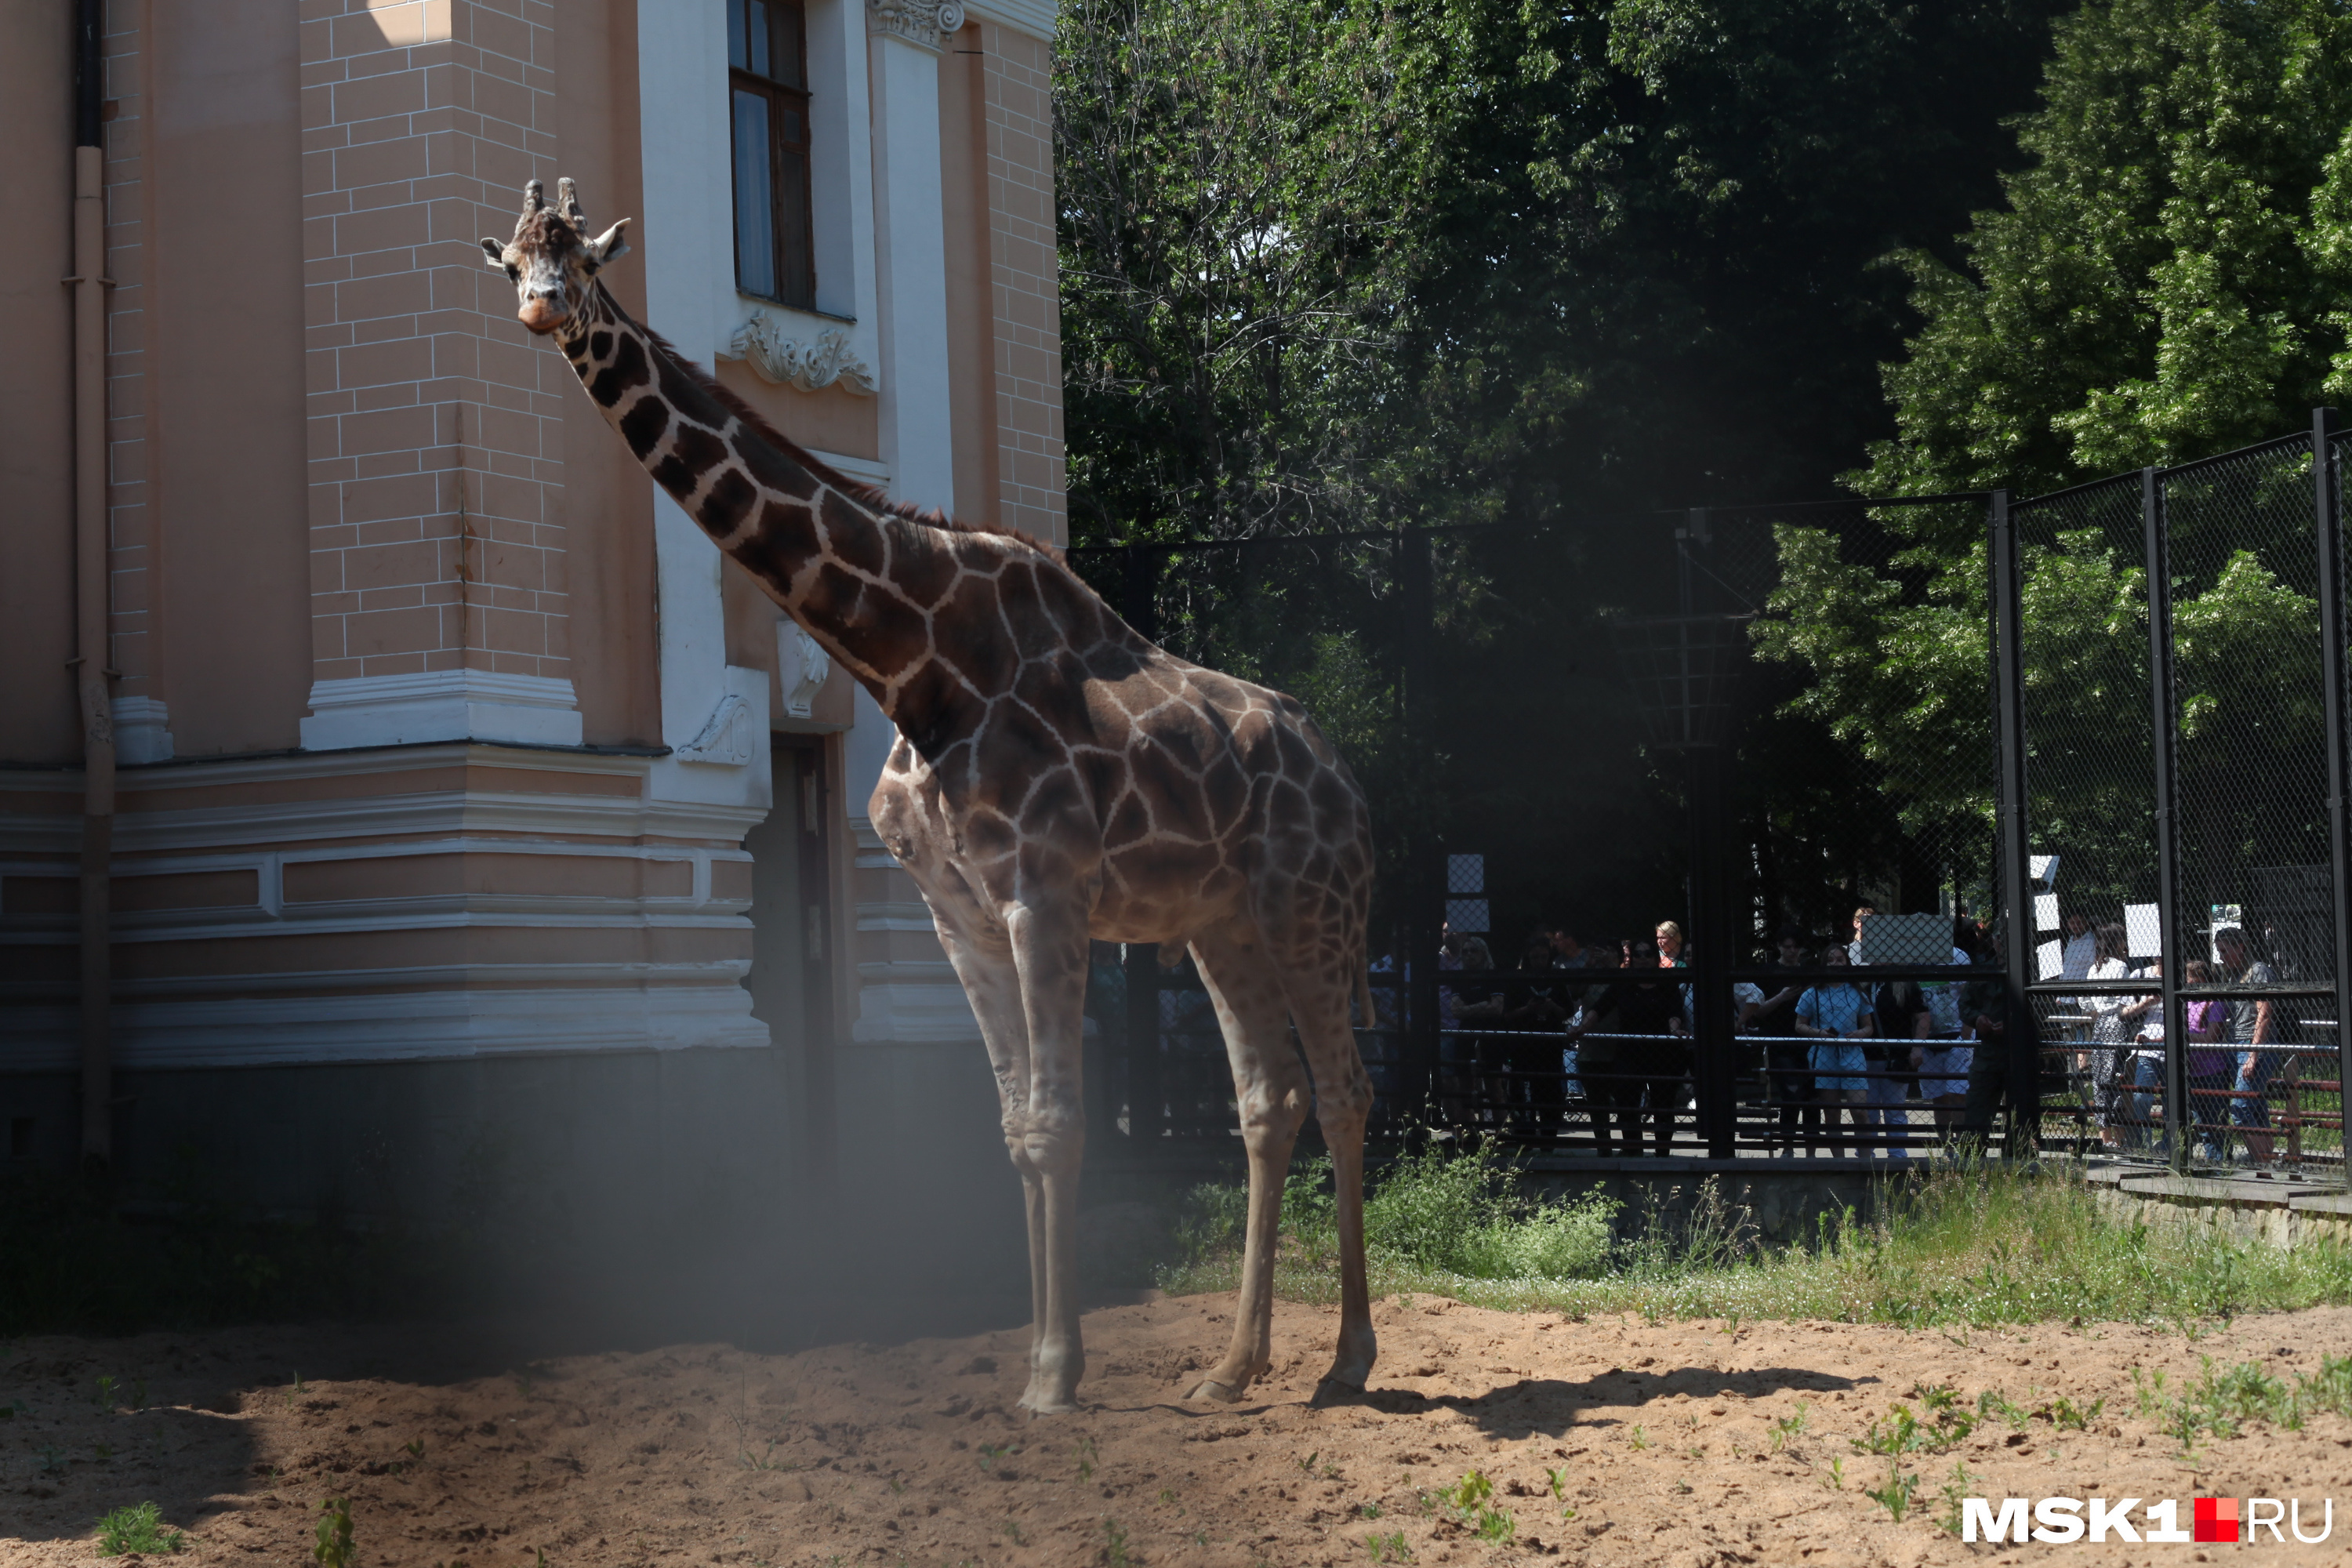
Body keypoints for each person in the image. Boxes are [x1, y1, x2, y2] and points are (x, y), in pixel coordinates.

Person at [1575, 941, 1687, 1156]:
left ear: (1656, 958)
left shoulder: (1666, 984)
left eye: (1647, 954)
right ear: (1632, 959)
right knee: (1627, 1101)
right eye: (1637, 954)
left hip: (1661, 1052)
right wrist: (1581, 1028)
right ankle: (1633, 1148)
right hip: (1630, 1050)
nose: (1642, 958)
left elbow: (1675, 1012)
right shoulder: (1624, 983)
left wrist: (1674, 1030)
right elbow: (1600, 1009)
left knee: (1663, 1103)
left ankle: (1662, 1152)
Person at [1795, 945, 1874, 1156]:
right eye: (1830, 960)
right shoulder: (1812, 993)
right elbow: (1799, 1025)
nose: (1835, 964)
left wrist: (1860, 1034)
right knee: (1831, 1111)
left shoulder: (1857, 992)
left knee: (1859, 1109)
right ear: (1824, 964)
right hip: (1824, 1053)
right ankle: (1840, 1161)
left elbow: (1869, 1026)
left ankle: (1867, 1159)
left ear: (1847, 962)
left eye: (1840, 960)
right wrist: (1819, 1032)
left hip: (1852, 1052)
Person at [2214, 927, 2280, 1166]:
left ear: (2240, 947)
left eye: (2224, 950)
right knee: (2256, 1107)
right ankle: (2265, 1160)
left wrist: (2254, 1054)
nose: (2221, 956)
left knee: (2240, 1110)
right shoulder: (2233, 975)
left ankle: (2263, 1162)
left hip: (2256, 1045)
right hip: (2235, 1045)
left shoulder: (2258, 971)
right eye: (2219, 951)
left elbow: (2264, 1013)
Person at [1751, 929, 1813, 1153]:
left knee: (1810, 1095)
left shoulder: (1807, 972)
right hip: (1779, 1041)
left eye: (1795, 947)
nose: (1791, 951)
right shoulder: (1768, 972)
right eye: (1787, 946)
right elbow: (1758, 1012)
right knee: (1790, 1092)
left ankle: (1811, 1150)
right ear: (1779, 947)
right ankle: (1788, 1147)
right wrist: (1782, 997)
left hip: (1807, 1040)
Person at [2079, 923, 2135, 1149]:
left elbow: (2084, 1001)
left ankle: (2105, 1136)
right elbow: (2127, 1000)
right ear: (2117, 941)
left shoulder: (2095, 968)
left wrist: (2096, 1013)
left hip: (2100, 1024)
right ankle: (2120, 1138)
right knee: (2118, 1077)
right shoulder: (2121, 967)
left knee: (2101, 1080)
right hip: (2117, 1024)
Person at [2180, 958, 2231, 1163]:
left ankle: (2220, 1161)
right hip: (2192, 1071)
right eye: (2188, 980)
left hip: (2213, 1071)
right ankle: (2212, 1161)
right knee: (2202, 1124)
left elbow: (2211, 1037)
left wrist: (2183, 1035)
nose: (2190, 984)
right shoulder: (2185, 1002)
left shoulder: (2215, 1003)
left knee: (2216, 1121)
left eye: (2193, 980)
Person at [2060, 912, 2097, 982]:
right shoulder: (2070, 940)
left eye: (2080, 922)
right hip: (2065, 985)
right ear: (2068, 924)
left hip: (2081, 985)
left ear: (2086, 923)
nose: (2076, 926)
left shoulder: (2092, 941)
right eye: (2072, 923)